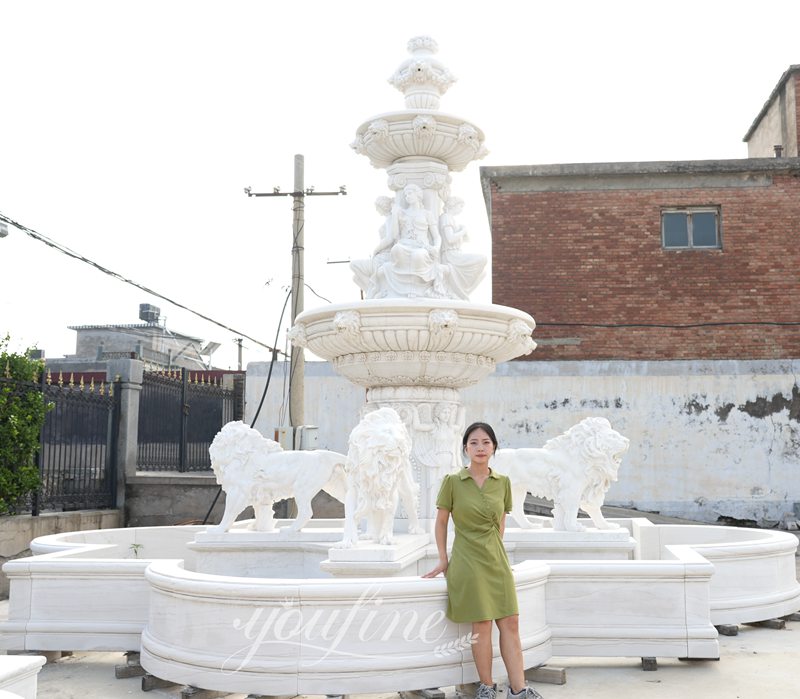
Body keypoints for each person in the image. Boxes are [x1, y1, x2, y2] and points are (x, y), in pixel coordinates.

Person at [423, 422, 543, 699]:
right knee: (482, 624)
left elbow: (500, 522)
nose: (480, 447)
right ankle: (487, 687)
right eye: (474, 442)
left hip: (496, 560)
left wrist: (496, 552)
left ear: (494, 448)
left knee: (511, 622)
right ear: (465, 448)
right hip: (467, 559)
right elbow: (441, 523)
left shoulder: (503, 483)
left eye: (485, 442)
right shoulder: (453, 481)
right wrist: (443, 559)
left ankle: (518, 689)